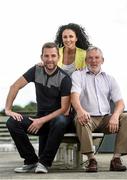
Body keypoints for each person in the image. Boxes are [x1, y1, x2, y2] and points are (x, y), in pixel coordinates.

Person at [5, 42, 72, 173]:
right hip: (39, 120)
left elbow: (64, 109)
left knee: (60, 120)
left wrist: (40, 121)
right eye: (46, 56)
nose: (50, 59)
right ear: (41, 57)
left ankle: (44, 163)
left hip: (57, 122)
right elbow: (14, 86)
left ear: (58, 57)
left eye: (53, 55)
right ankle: (31, 161)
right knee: (12, 122)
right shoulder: (36, 70)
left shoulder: (65, 78)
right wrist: (8, 109)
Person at [71, 46, 127, 172]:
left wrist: (115, 116)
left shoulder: (110, 79)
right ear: (86, 60)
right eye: (90, 58)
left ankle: (116, 159)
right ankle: (91, 160)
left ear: (102, 60)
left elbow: (120, 103)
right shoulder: (78, 75)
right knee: (80, 119)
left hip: (106, 118)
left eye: (97, 58)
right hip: (88, 118)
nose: (94, 61)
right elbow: (74, 96)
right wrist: (80, 110)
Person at [39, 23, 91, 155]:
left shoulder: (84, 55)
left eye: (71, 36)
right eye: (65, 37)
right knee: (48, 117)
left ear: (76, 38)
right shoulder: (57, 52)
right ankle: (43, 156)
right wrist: (41, 64)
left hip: (77, 96)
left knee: (68, 121)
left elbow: (90, 73)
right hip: (58, 95)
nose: (68, 39)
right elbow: (50, 63)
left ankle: (81, 154)